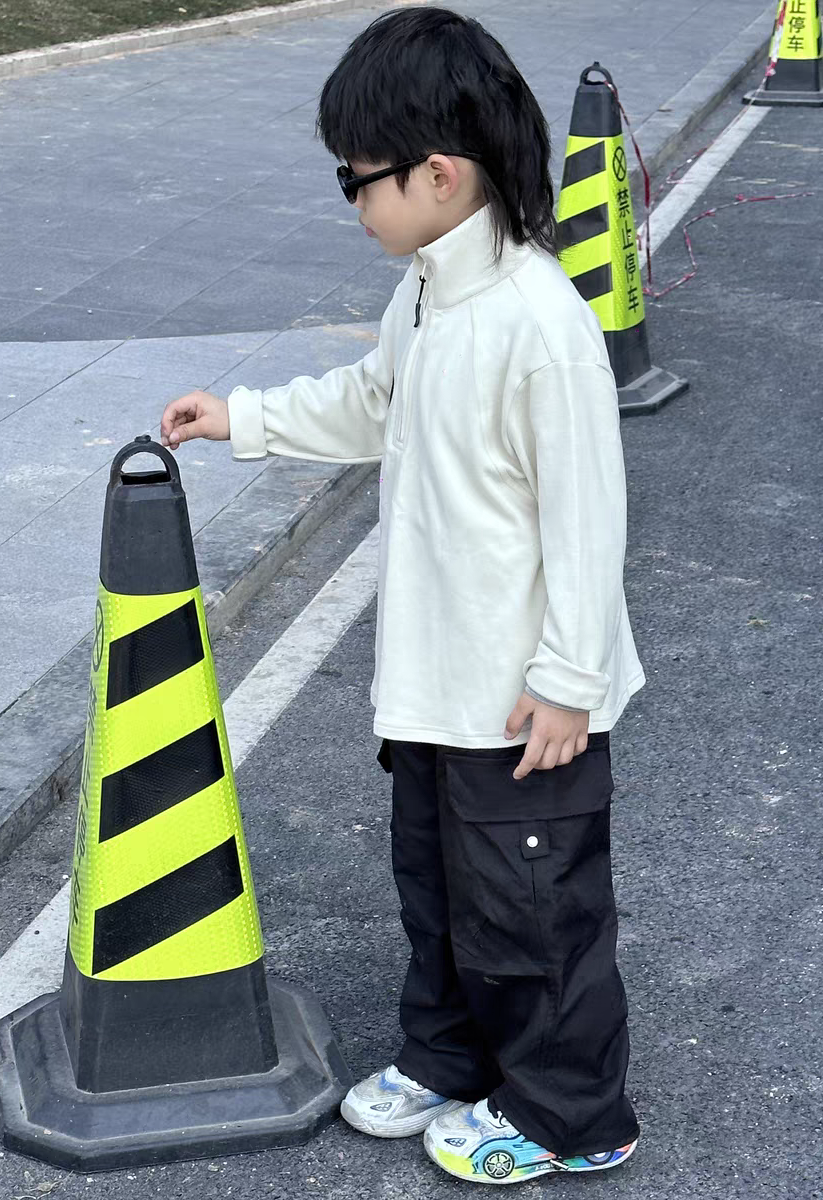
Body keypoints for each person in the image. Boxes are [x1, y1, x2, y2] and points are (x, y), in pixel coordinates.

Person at [160, 6, 646, 1187]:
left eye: (356, 178)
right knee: (440, 892)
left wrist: (569, 682)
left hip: (524, 704)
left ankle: (571, 1114)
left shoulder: (539, 325)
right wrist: (243, 419)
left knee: (533, 913)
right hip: (435, 682)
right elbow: (375, 402)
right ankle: (449, 1056)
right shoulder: (427, 293)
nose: (352, 201)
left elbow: (588, 522)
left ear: (439, 174)